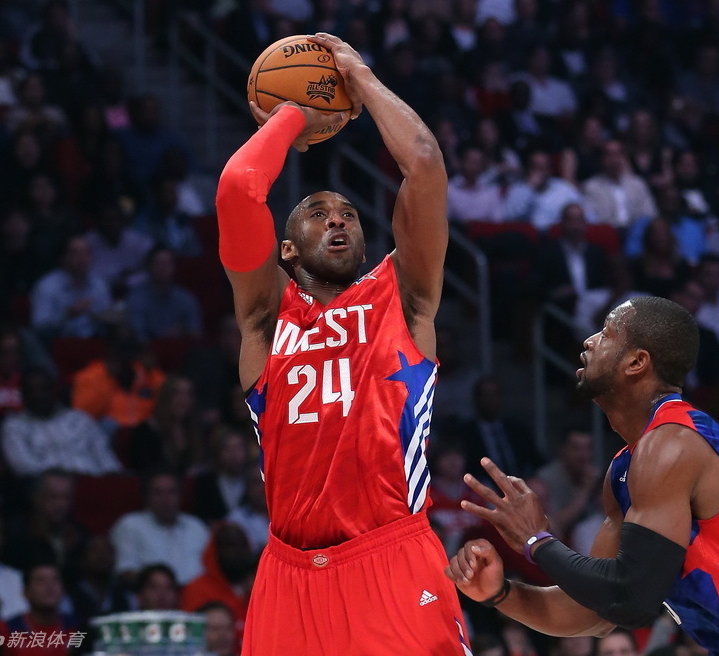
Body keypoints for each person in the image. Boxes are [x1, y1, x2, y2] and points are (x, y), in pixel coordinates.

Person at [215, 32, 471, 655]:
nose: (337, 218)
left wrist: (357, 77)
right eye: (317, 212)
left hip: (392, 556)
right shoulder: (265, 319)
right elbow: (237, 189)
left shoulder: (401, 297)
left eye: (350, 213)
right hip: (287, 574)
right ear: (287, 248)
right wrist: (293, 117)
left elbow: (426, 163)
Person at [446, 296, 719, 655]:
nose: (588, 342)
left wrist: (537, 541)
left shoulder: (672, 444)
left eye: (607, 333)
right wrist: (501, 593)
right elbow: (594, 613)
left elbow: (632, 599)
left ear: (636, 362)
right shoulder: (625, 470)